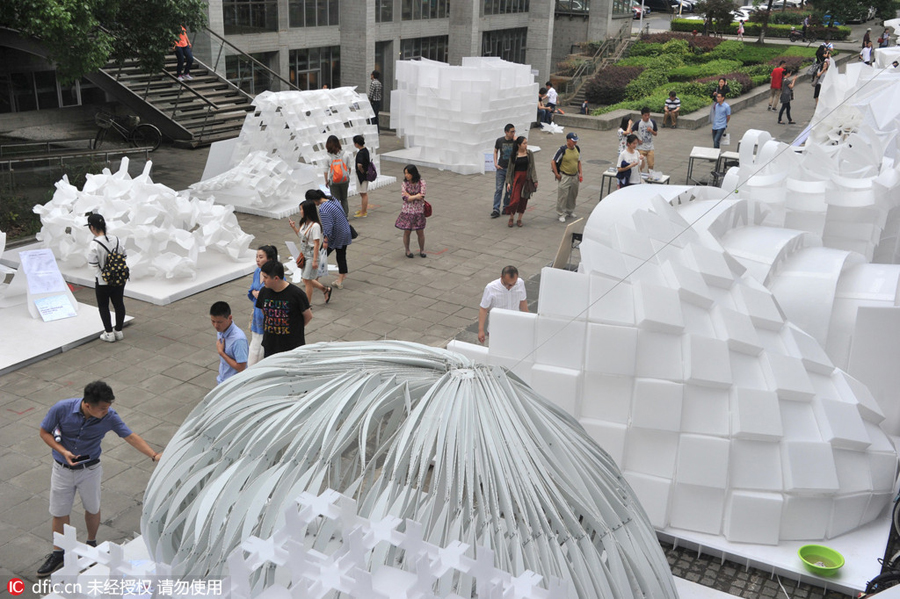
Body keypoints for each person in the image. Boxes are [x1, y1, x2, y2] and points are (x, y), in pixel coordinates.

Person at [36, 381, 161, 577]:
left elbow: (130, 436)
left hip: (90, 469)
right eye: (102, 408)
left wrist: (153, 455)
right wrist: (63, 451)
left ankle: (91, 544)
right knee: (60, 512)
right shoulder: (61, 409)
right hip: (62, 469)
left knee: (92, 508)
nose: (106, 411)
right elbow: (44, 432)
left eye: (108, 407)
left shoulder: (110, 416)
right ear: (87, 405)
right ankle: (58, 553)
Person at [255, 260, 312, 357]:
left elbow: (308, 316)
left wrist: (296, 329)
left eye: (265, 277)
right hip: (270, 345)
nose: (263, 280)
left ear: (276, 278)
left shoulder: (296, 294)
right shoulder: (264, 292)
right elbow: (264, 312)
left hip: (291, 347)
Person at [86, 213, 127, 343]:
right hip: (119, 278)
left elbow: (93, 265)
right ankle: (118, 331)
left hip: (103, 281)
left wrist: (103, 270)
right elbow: (124, 255)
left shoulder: (94, 244)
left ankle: (109, 333)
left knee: (103, 306)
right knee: (119, 303)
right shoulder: (117, 239)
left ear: (92, 227)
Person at [289, 200, 332, 304]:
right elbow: (301, 237)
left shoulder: (315, 226)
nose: (300, 211)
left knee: (307, 280)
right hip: (305, 254)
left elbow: (317, 243)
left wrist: (315, 260)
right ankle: (325, 289)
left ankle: (307, 305)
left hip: (312, 255)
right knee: (306, 279)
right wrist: (294, 227)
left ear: (307, 210)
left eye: (301, 209)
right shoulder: (304, 223)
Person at [307, 189, 351, 289]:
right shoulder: (332, 199)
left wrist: (325, 240)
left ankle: (314, 279)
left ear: (313, 200)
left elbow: (328, 226)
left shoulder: (323, 209)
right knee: (341, 256)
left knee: (320, 255)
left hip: (335, 235)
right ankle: (340, 280)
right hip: (345, 231)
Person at [477, 265, 528, 344]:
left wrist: (528, 321)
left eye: (514, 284)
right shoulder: (491, 288)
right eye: (508, 284)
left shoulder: (520, 283)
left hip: (515, 326)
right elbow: (483, 309)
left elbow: (523, 302)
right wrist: (481, 330)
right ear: (501, 277)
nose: (510, 287)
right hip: (497, 329)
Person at [247, 244, 277, 366]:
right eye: (257, 257)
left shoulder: (276, 276)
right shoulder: (257, 271)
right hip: (257, 316)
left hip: (269, 319)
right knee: (254, 351)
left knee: (259, 355)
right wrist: (254, 293)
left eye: (261, 257)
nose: (257, 260)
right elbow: (252, 289)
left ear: (269, 259)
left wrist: (263, 295)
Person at [210, 301, 249, 384]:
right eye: (213, 321)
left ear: (230, 318)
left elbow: (241, 368)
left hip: (234, 384)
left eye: (219, 322)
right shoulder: (221, 331)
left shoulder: (238, 340)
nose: (216, 325)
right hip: (222, 380)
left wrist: (221, 353)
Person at [504, 136, 538, 228]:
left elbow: (532, 167)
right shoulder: (514, 155)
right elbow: (510, 170)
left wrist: (535, 180)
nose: (526, 145)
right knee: (515, 199)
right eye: (524, 143)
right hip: (517, 179)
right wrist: (509, 182)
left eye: (526, 143)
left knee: (524, 200)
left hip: (526, 179)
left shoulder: (529, 154)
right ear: (519, 145)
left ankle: (519, 219)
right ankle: (511, 217)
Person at [395, 165, 427, 258]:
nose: (406, 175)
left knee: (420, 231)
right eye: (405, 173)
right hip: (407, 211)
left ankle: (422, 250)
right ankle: (407, 250)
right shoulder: (404, 184)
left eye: (408, 173)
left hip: (418, 210)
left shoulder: (421, 182)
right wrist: (416, 196)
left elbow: (422, 195)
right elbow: (405, 197)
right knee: (407, 231)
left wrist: (410, 196)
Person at [551, 132, 583, 223]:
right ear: (568, 140)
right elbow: (553, 161)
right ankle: (561, 213)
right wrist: (556, 174)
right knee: (563, 195)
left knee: (573, 194)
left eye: (576, 141)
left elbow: (578, 161)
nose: (575, 143)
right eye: (573, 141)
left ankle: (570, 210)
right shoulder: (562, 150)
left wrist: (580, 173)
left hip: (574, 176)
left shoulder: (577, 149)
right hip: (565, 176)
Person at [491, 124, 516, 218]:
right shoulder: (500, 140)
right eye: (511, 132)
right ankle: (496, 209)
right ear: (506, 132)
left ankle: (506, 207)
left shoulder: (515, 141)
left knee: (509, 190)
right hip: (501, 168)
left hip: (511, 169)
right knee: (499, 189)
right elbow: (495, 151)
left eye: (514, 131)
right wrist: (495, 163)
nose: (513, 134)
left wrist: (517, 140)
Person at [324, 135, 351, 216]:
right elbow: (349, 168)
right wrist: (346, 176)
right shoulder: (345, 154)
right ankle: (345, 215)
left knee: (335, 200)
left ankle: (338, 216)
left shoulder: (327, 157)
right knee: (344, 198)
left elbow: (325, 170)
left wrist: (326, 181)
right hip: (345, 180)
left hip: (333, 181)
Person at [353, 135, 371, 218]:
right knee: (363, 193)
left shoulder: (360, 153)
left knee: (363, 194)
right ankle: (363, 210)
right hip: (365, 175)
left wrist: (361, 170)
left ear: (356, 144)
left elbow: (359, 165)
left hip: (362, 176)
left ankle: (363, 212)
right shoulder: (365, 150)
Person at [636, 107, 657, 174]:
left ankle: (649, 176)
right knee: (640, 164)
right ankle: (639, 176)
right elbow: (631, 131)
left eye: (648, 115)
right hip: (641, 147)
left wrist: (651, 131)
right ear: (642, 115)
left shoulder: (652, 122)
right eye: (645, 115)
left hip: (650, 147)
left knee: (651, 164)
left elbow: (655, 133)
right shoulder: (639, 123)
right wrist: (637, 139)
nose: (647, 117)